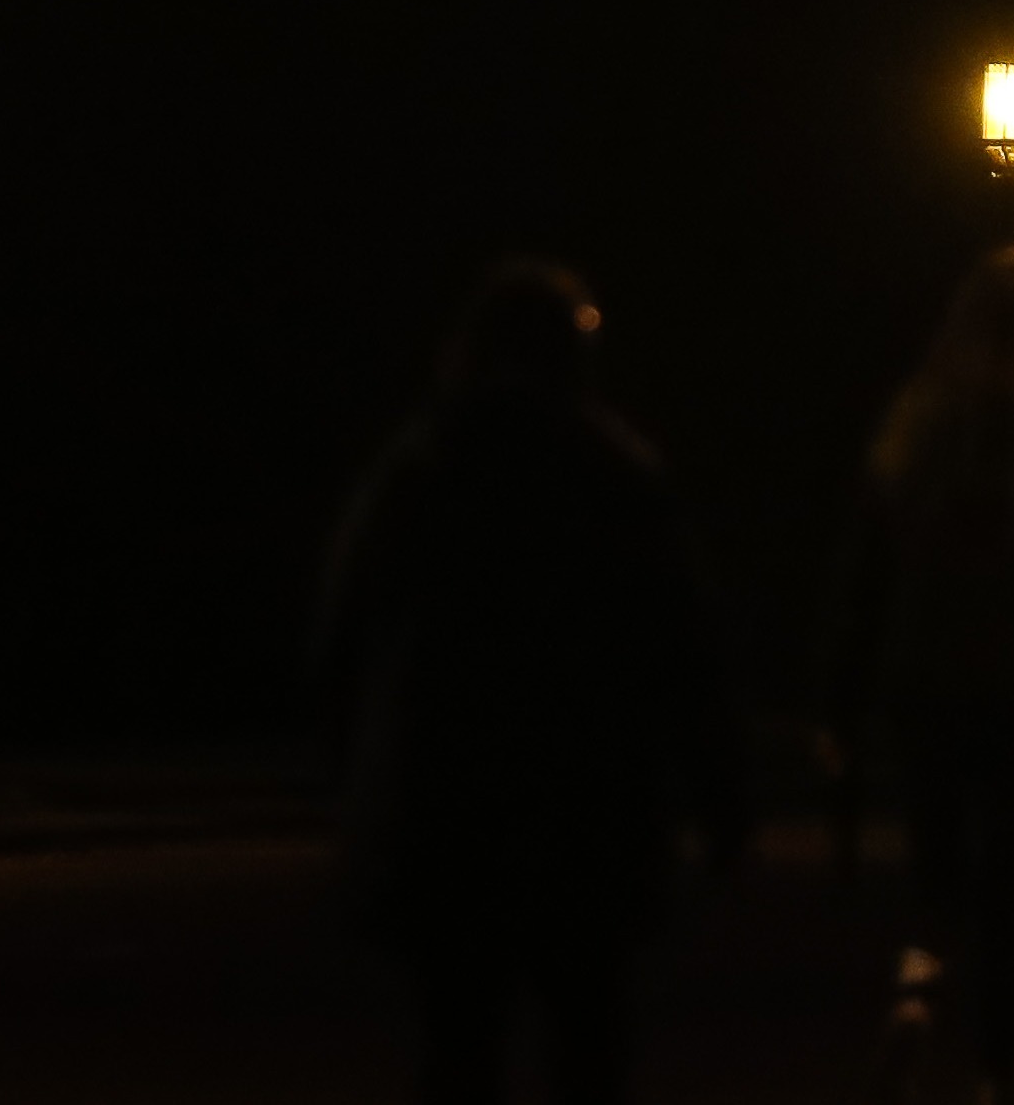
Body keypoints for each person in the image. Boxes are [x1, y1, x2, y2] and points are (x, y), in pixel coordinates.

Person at [315, 262, 746, 1105]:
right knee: (587, 1042)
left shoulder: (419, 472)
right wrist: (718, 793)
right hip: (586, 805)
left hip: (446, 804)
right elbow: (685, 646)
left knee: (459, 1047)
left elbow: (342, 637)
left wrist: (357, 779)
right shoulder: (616, 477)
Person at [825, 247, 1014, 1104]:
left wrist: (843, 696)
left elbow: (866, 569)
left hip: (920, 666)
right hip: (1011, 675)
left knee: (934, 858)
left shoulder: (916, 426)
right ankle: (993, 1073)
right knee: (1005, 875)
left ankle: (916, 984)